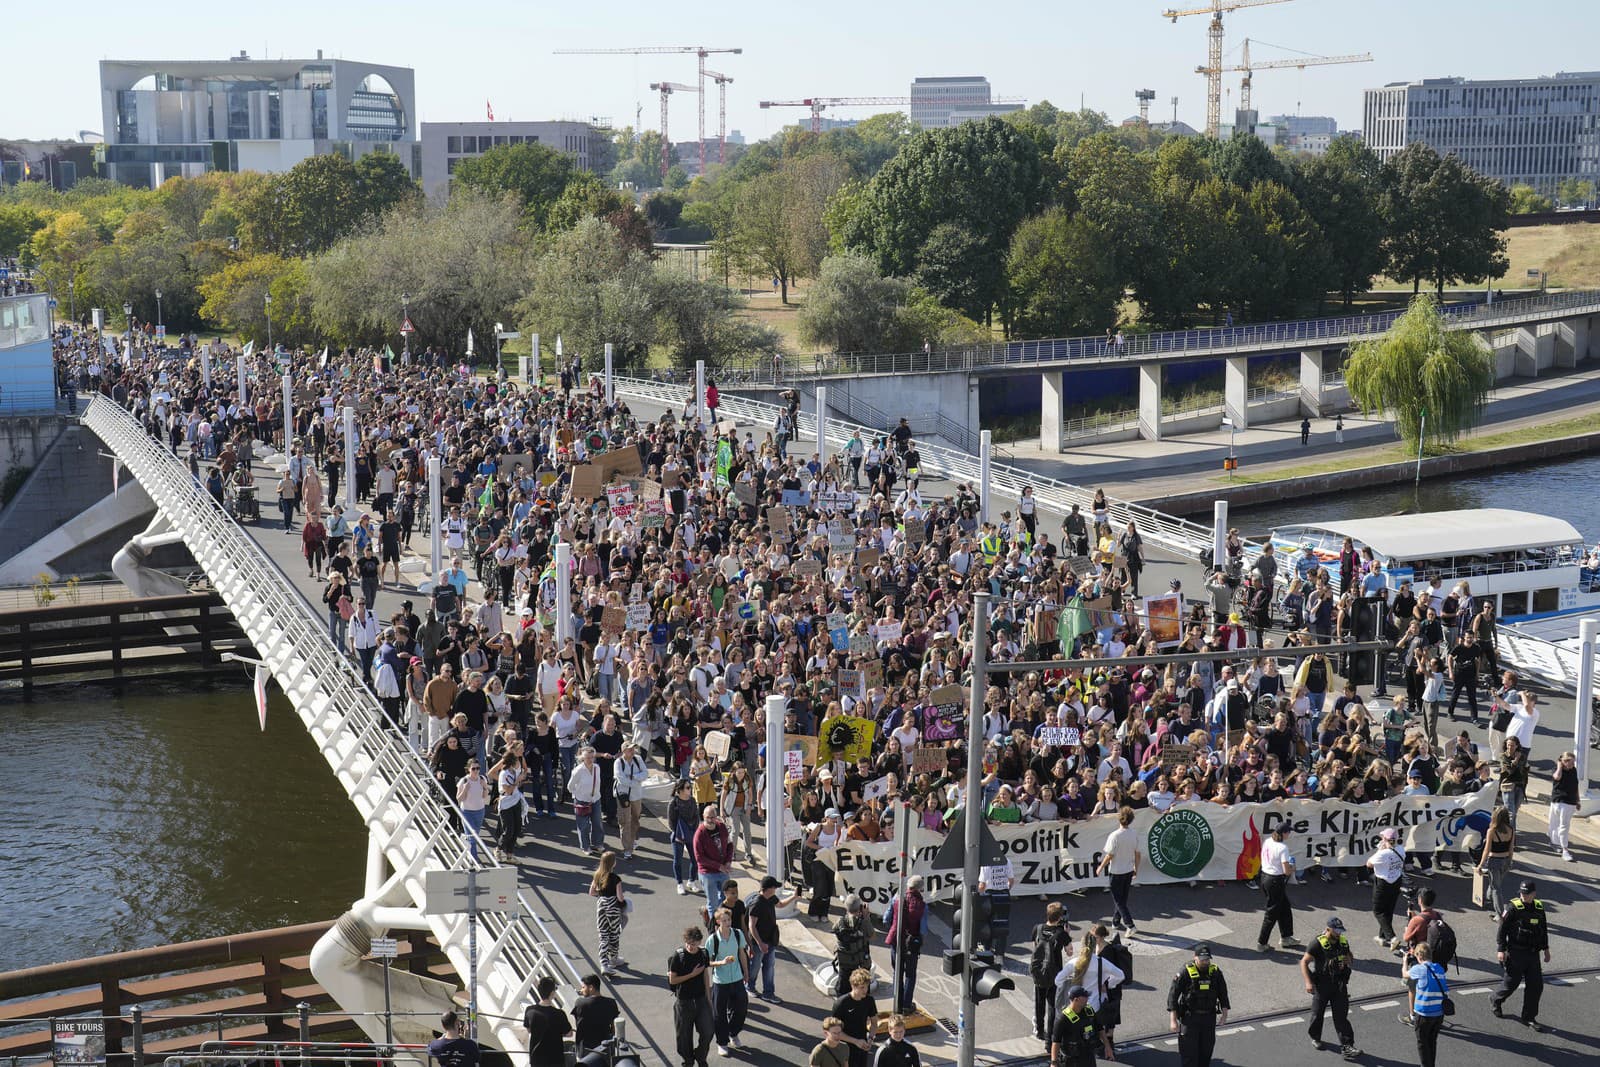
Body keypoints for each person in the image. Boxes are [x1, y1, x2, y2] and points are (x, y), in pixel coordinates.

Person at [1491, 879, 1550, 1031]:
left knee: (1536, 986)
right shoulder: (1512, 908)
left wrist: (1546, 949)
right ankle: (1496, 999)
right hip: (1516, 953)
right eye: (1522, 893)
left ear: (1534, 894)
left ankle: (1529, 1017)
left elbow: (1543, 929)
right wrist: (1501, 949)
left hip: (1533, 954)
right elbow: (1502, 930)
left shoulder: (1538, 907)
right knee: (1511, 984)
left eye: (1527, 894)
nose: (1524, 896)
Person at [1299, 916, 1361, 1060]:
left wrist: (1349, 960)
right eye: (1336, 930)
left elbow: (1350, 957)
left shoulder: (1343, 942)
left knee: (1341, 1017)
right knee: (1317, 1014)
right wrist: (1308, 982)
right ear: (1328, 929)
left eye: (1340, 930)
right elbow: (1304, 962)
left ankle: (1347, 1046)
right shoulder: (1317, 943)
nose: (1339, 933)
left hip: (1339, 985)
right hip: (1322, 985)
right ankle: (1315, 1037)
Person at [1166, 942, 1229, 1067]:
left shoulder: (1215, 972)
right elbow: (1173, 996)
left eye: (1207, 959)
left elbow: (1223, 993)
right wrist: (1173, 1020)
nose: (1205, 962)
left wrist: (1224, 1014)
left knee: (1206, 1052)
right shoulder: (1185, 972)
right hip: (1190, 1018)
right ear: (1195, 958)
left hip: (1208, 1018)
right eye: (1202, 960)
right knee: (1189, 1053)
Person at [706, 906, 750, 1055]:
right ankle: (722, 1042)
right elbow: (707, 962)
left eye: (729, 919)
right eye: (723, 920)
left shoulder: (737, 934)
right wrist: (721, 963)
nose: (727, 922)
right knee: (719, 1014)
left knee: (741, 1008)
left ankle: (733, 1033)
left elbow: (741, 953)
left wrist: (746, 972)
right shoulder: (712, 940)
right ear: (718, 922)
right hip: (720, 981)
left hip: (737, 978)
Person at [668, 926, 715, 1067]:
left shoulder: (703, 953)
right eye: (688, 943)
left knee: (708, 1031)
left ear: (700, 941)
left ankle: (701, 1056)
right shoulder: (678, 956)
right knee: (684, 1037)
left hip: (701, 1000)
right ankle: (688, 1061)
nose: (690, 947)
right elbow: (673, 980)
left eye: (694, 944)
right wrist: (692, 975)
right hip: (684, 1002)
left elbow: (705, 975)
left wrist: (708, 997)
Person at [883, 874, 928, 1014]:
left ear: (908, 886)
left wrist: (895, 927)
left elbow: (886, 919)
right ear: (920, 889)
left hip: (896, 940)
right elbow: (923, 929)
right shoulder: (922, 906)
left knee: (897, 971)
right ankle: (906, 1005)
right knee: (910, 974)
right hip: (911, 944)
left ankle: (897, 1001)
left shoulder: (896, 899)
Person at [1029, 901, 1072, 1044]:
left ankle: (1040, 1031)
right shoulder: (1061, 934)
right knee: (1053, 1005)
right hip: (1055, 973)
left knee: (1039, 1002)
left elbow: (1034, 947)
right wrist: (1067, 934)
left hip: (1039, 972)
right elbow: (1070, 952)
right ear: (1060, 917)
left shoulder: (1037, 928)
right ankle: (1050, 1037)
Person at [747, 875, 794, 1003]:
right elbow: (752, 925)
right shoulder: (757, 903)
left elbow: (780, 904)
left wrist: (794, 897)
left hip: (770, 940)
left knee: (769, 967)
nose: (776, 890)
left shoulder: (771, 898)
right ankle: (750, 986)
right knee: (755, 966)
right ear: (769, 889)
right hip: (759, 943)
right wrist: (760, 943)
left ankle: (768, 993)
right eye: (774, 887)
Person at [1256, 824, 1302, 952]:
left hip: (1265, 877)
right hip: (1275, 881)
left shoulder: (1268, 841)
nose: (1290, 834)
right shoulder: (1283, 848)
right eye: (1288, 832)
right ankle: (1262, 942)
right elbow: (1287, 871)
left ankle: (1286, 937)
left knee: (1285, 907)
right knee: (1271, 914)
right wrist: (1293, 867)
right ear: (1284, 833)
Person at [1095, 806, 1139, 935]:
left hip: (1116, 871)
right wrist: (1136, 868)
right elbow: (1137, 854)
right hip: (1128, 870)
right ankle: (1116, 921)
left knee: (1118, 900)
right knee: (1122, 899)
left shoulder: (1114, 835)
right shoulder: (1134, 834)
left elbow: (1110, 855)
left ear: (1119, 819)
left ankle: (1130, 924)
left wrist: (1100, 866)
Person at [1406, 943, 1448, 1067]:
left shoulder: (1419, 969)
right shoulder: (1439, 968)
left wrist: (1404, 961)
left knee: (1422, 1043)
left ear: (1419, 956)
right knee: (1432, 1041)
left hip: (1423, 1014)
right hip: (1439, 1013)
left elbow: (1405, 974)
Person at [694, 805, 735, 928]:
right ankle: (715, 927)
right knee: (712, 902)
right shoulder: (700, 834)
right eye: (708, 817)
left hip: (722, 869)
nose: (711, 820)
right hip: (708, 873)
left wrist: (728, 861)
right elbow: (699, 858)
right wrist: (718, 866)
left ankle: (722, 920)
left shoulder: (721, 827)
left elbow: (730, 845)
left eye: (713, 817)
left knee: (724, 898)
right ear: (703, 817)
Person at [1365, 828, 1406, 950]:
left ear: (1385, 839)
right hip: (1396, 881)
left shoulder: (1383, 854)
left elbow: (1369, 864)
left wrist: (1379, 850)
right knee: (1388, 909)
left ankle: (1392, 937)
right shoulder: (1401, 849)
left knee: (1378, 910)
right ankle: (1382, 937)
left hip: (1383, 883)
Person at [588, 851, 627, 978]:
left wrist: (601, 897)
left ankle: (604, 964)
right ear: (613, 863)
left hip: (601, 907)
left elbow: (591, 892)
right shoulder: (616, 879)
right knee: (614, 934)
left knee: (603, 935)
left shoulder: (597, 876)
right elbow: (620, 898)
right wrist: (625, 903)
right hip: (613, 909)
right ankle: (614, 959)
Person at [830, 968, 879, 1067]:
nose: (865, 990)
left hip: (862, 1047)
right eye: (862, 987)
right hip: (843, 1048)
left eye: (866, 987)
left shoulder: (869, 1001)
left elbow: (874, 1023)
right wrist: (855, 1041)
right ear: (853, 986)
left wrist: (870, 1039)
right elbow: (834, 1032)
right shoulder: (841, 1003)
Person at [1051, 985, 1110, 1067]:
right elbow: (1056, 1041)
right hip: (1071, 1060)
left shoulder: (1089, 1011)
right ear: (1076, 1000)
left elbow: (1100, 1028)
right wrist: (1054, 1063)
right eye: (1085, 997)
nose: (1087, 999)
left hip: (1088, 1056)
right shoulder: (1063, 1018)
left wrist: (1108, 1047)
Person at [522, 975, 572, 1067]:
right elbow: (569, 1034)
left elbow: (529, 1030)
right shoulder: (559, 1014)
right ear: (552, 993)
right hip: (555, 1059)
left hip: (536, 1058)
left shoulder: (529, 1010)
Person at [832, 896, 874, 996]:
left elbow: (834, 930)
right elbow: (871, 935)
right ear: (859, 907)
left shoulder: (840, 922)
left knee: (843, 990)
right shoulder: (862, 923)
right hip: (861, 963)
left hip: (845, 961)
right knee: (862, 989)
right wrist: (866, 917)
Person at [571, 975, 619, 1059]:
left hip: (585, 1050)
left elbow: (578, 1024)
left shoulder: (580, 1003)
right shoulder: (611, 1003)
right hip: (604, 1048)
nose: (581, 990)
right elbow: (614, 1027)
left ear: (591, 987)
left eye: (583, 987)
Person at [1549, 750, 1579, 862]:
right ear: (1564, 762)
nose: (1572, 765)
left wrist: (1578, 800)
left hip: (1568, 802)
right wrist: (1559, 766)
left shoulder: (1574, 771)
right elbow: (1557, 777)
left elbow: (1576, 786)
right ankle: (1554, 843)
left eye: (1573, 762)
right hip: (1556, 801)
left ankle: (1565, 849)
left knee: (1564, 827)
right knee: (1553, 824)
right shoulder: (1557, 770)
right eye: (1570, 762)